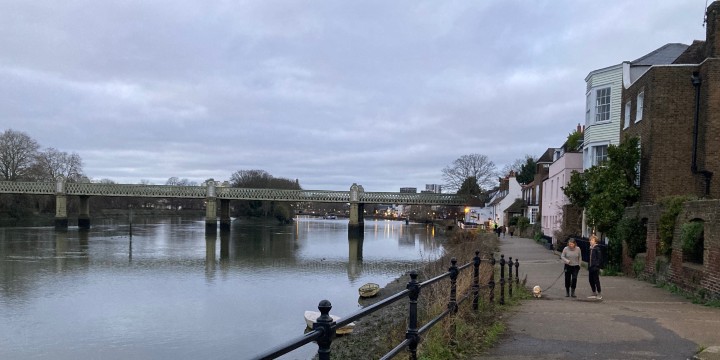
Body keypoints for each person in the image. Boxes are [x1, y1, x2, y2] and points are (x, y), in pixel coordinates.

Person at [588, 234, 603, 299]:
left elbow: (599, 258)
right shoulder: (591, 248)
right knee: (590, 280)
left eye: (592, 240)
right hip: (591, 267)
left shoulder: (597, 248)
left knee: (596, 280)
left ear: (595, 241)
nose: (590, 241)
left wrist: (597, 265)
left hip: (595, 267)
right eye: (590, 240)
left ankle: (599, 293)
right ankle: (594, 292)